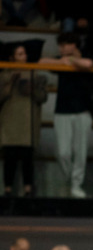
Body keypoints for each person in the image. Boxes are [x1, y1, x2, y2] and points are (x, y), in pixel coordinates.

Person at [0, 43, 47, 198]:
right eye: (19, 54)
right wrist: (12, 82)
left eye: (24, 53)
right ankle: (7, 189)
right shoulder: (4, 74)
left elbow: (42, 97)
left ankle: (28, 189)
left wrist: (32, 90)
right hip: (10, 121)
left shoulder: (35, 74)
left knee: (28, 158)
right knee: (10, 157)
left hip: (28, 121)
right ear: (12, 57)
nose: (23, 57)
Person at [52, 32, 93, 199]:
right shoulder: (59, 60)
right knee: (63, 152)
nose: (62, 48)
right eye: (60, 45)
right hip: (62, 111)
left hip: (82, 111)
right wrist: (62, 61)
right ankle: (69, 179)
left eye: (66, 45)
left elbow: (88, 64)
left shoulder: (84, 56)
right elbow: (41, 62)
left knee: (80, 151)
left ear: (74, 45)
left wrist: (72, 60)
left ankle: (76, 185)